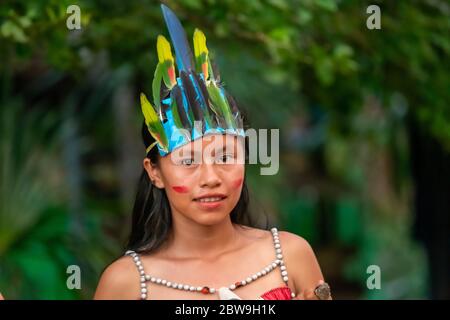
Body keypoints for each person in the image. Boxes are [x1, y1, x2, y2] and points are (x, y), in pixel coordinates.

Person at [93, 4, 331, 301]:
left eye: (224, 157)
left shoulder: (291, 256)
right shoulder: (124, 283)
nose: (210, 177)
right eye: (188, 161)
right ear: (155, 172)